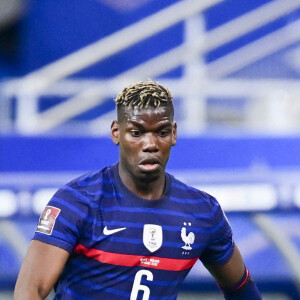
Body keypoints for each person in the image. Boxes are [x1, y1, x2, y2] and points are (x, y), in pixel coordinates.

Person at [14, 80, 262, 300]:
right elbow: (30, 292)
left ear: (174, 134)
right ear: (116, 133)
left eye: (162, 132)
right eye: (137, 133)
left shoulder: (202, 212)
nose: (151, 144)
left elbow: (240, 287)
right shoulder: (77, 202)